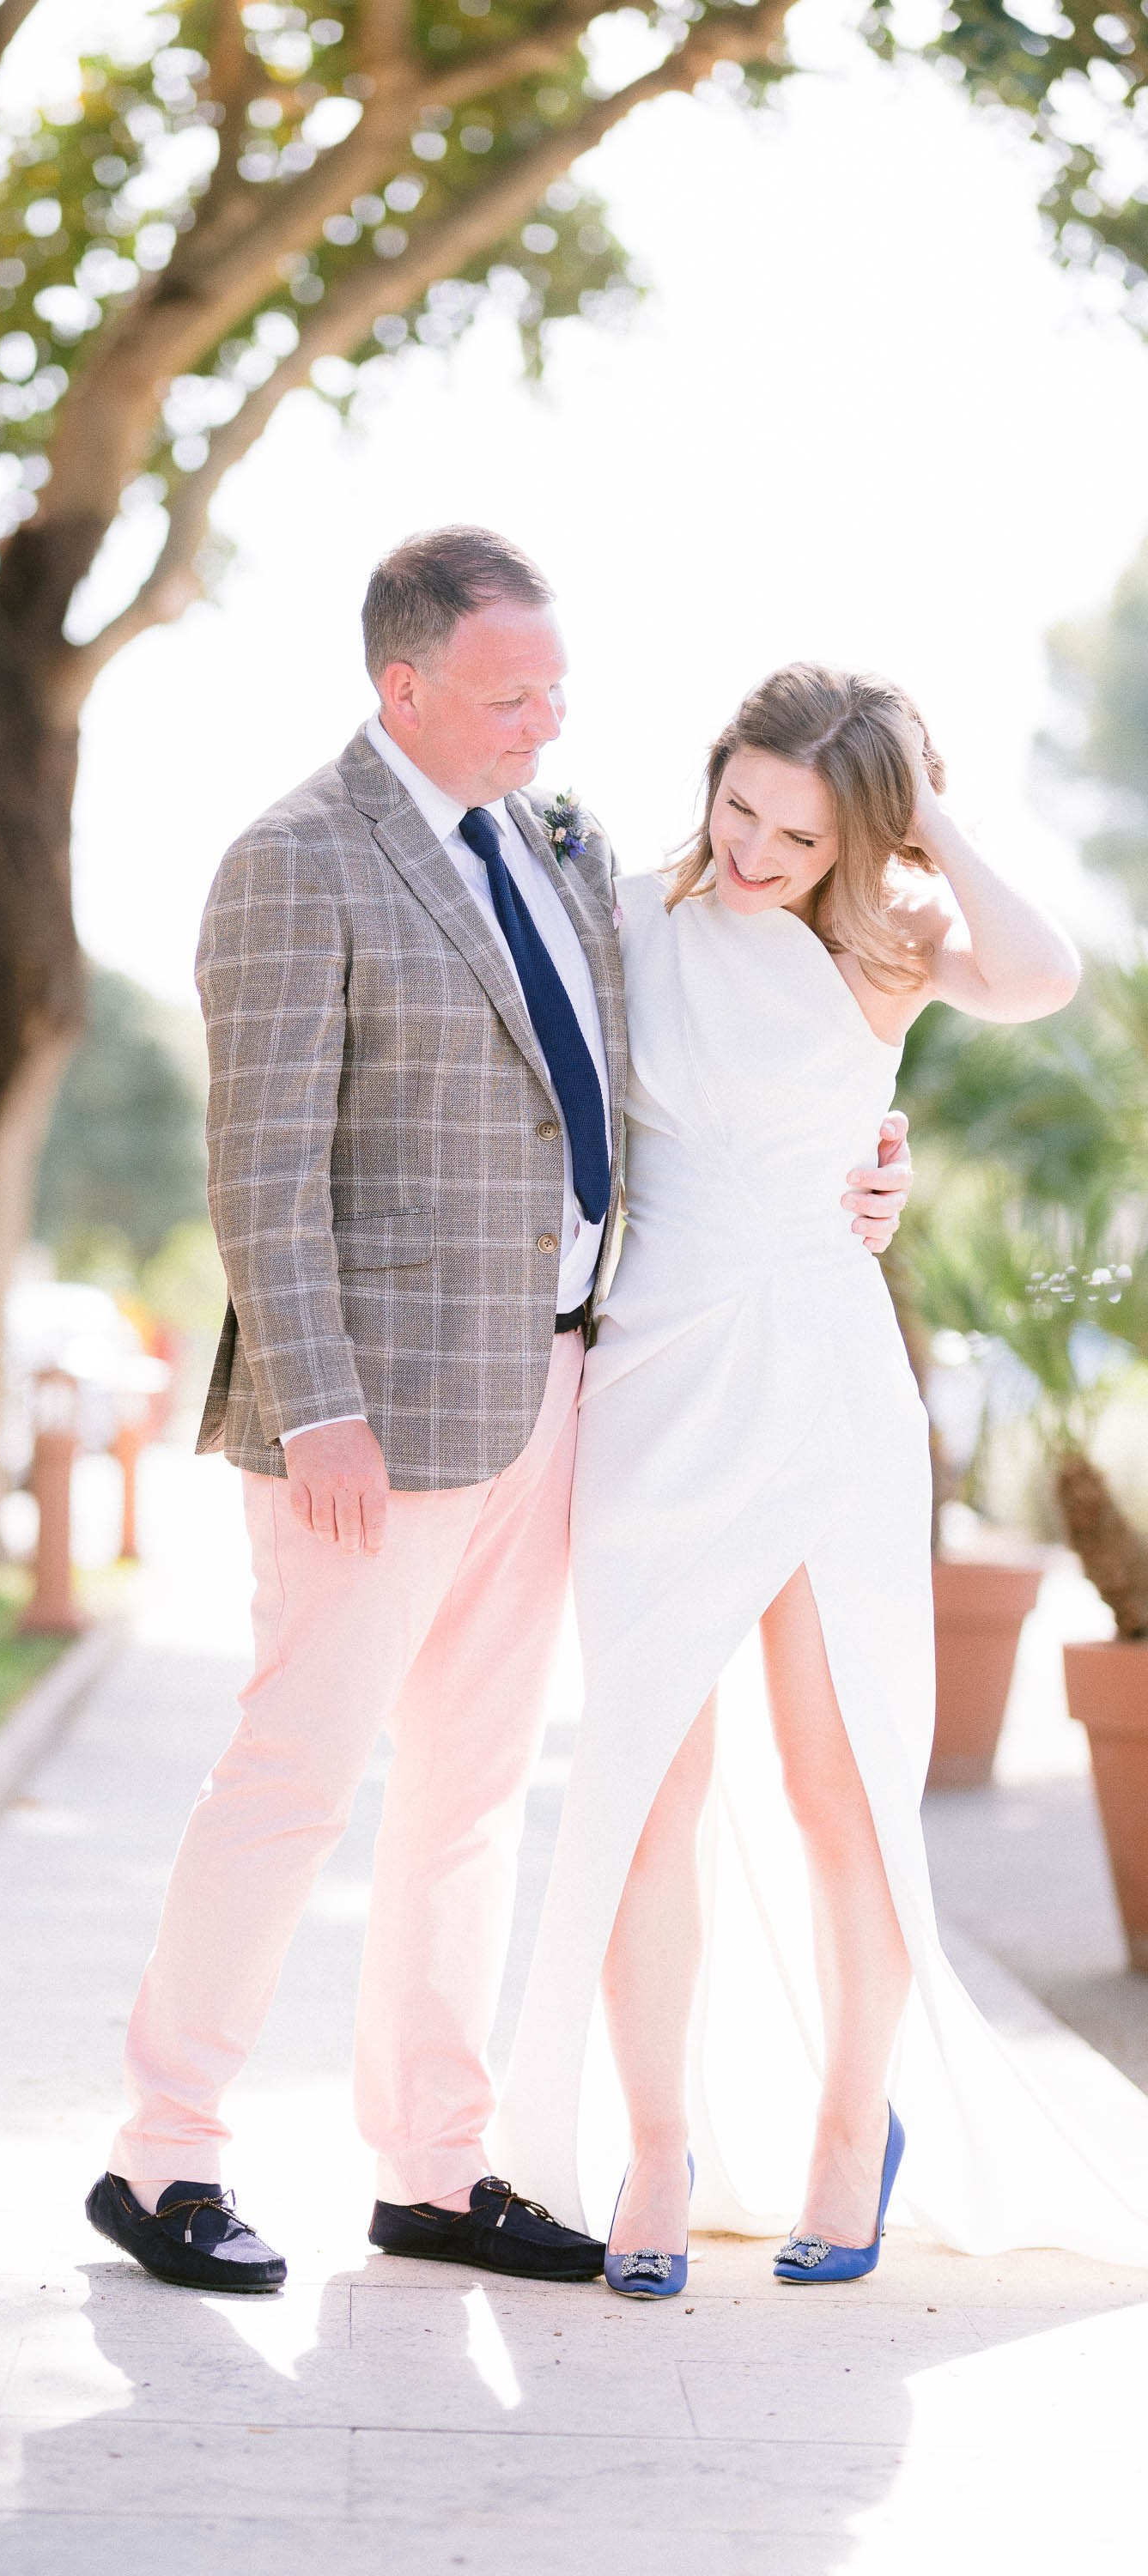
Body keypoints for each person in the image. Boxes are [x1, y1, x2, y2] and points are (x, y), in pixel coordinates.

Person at [87, 539, 911, 2293]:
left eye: (558, 687)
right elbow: (260, 1170)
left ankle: (435, 2169)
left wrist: (864, 1156)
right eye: (511, 693)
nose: (552, 719)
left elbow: (667, 1087)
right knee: (294, 1777)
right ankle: (163, 2157)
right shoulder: (294, 861)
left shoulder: (565, 845)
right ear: (405, 691)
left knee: (468, 1797)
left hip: (565, 1383)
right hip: (364, 1426)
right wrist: (316, 1412)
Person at [494, 662, 1148, 2291]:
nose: (765, 848)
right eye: (743, 806)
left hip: (832, 1380)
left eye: (804, 826)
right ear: (707, 777)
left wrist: (920, 810)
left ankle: (855, 2133)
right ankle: (655, 2151)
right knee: (649, 1782)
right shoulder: (627, 914)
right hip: (656, 1364)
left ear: (860, 826)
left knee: (838, 1781)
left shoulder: (895, 935)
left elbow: (1047, 972)